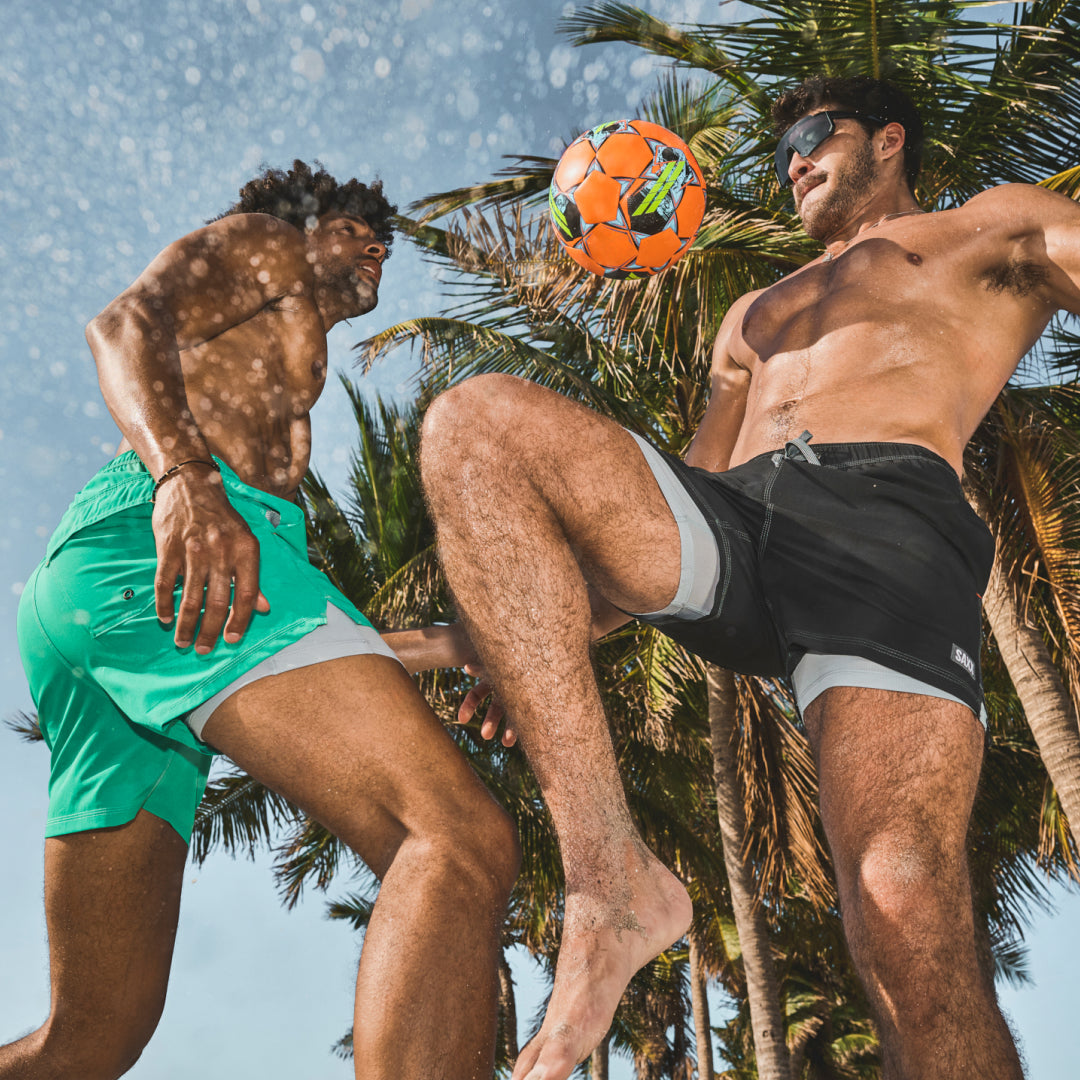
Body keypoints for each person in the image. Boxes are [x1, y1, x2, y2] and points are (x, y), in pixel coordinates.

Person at [419, 75, 1080, 1080]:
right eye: (783, 152)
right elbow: (692, 482)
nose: (796, 161)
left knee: (900, 903)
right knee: (472, 424)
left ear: (890, 140)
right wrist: (537, 634)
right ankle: (613, 884)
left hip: (884, 526)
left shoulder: (986, 230)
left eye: (819, 135)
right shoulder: (751, 317)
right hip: (740, 521)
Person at [9, 160, 518, 1080]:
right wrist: (184, 476)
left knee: (85, 1045)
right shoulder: (266, 241)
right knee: (451, 839)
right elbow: (122, 325)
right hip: (146, 547)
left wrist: (465, 646)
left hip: (134, 601)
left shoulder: (281, 383)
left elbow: (282, 632)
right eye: (355, 227)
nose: (376, 247)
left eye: (385, 243)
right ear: (305, 222)